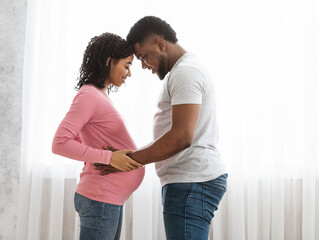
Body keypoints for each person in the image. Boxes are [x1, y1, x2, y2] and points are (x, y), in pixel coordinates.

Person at [95, 17, 227, 240]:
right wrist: (127, 156)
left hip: (190, 182)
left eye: (144, 57)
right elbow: (174, 135)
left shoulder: (186, 73)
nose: (145, 66)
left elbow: (181, 137)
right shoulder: (184, 71)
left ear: (160, 44)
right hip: (189, 182)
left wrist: (128, 161)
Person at [52, 32, 144, 240]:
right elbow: (60, 143)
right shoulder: (89, 95)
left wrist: (99, 154)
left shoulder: (98, 96)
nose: (129, 74)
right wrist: (109, 157)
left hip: (109, 198)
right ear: (109, 61)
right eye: (127, 66)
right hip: (100, 197)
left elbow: (80, 138)